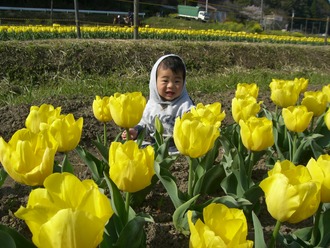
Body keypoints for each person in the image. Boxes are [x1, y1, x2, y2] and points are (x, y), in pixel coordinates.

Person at [122, 54, 195, 151]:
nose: (170, 85)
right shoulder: (151, 105)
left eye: (177, 81)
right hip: (155, 145)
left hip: (177, 147)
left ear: (184, 82)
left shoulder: (185, 105)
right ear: (154, 81)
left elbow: (193, 123)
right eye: (165, 81)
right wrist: (136, 131)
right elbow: (145, 124)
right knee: (134, 146)